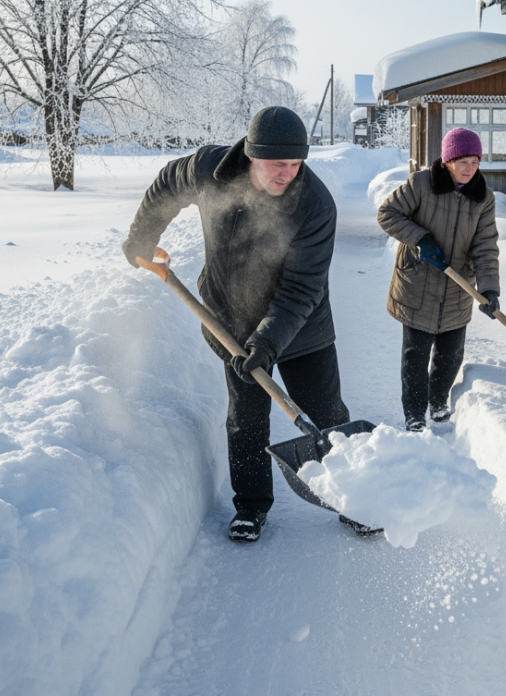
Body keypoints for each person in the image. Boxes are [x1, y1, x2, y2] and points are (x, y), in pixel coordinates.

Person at [122, 106, 350, 543]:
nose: (288, 173)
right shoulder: (210, 169)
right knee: (245, 420)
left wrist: (267, 342)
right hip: (232, 323)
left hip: (302, 332)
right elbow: (169, 183)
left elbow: (301, 290)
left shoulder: (315, 205)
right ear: (251, 155)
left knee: (326, 416)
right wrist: (142, 235)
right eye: (277, 164)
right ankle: (250, 506)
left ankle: (355, 495)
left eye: (296, 163)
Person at [377, 127, 500, 432]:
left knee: (450, 355)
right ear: (447, 161)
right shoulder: (421, 184)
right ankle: (416, 413)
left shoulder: (483, 198)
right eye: (463, 162)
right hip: (419, 283)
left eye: (474, 162)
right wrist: (421, 239)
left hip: (458, 287)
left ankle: (439, 402)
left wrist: (489, 288)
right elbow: (387, 214)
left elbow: (485, 246)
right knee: (415, 356)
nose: (469, 169)